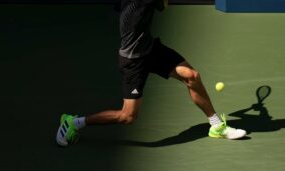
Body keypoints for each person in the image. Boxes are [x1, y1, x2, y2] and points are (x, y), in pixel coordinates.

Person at [56, 0, 246, 147]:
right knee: (127, 116)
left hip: (151, 49)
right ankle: (74, 122)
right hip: (133, 61)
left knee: (191, 76)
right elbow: (164, 5)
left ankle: (216, 125)